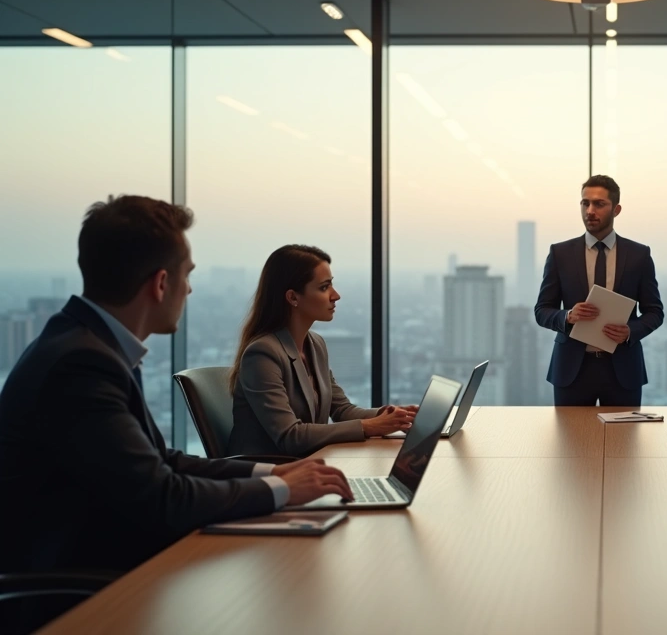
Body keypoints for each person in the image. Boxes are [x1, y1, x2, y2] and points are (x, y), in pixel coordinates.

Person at [0, 196, 353, 576]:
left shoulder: (87, 344)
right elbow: (162, 497)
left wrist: (271, 475)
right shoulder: (83, 365)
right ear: (162, 283)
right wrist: (280, 491)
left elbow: (162, 461)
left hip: (108, 560)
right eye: (187, 275)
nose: (189, 290)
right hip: (77, 588)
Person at [228, 245, 416, 458]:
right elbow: (290, 436)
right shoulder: (262, 354)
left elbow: (342, 410)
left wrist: (390, 416)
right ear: (292, 297)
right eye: (324, 287)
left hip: (307, 465)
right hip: (267, 477)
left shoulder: (315, 345)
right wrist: (371, 426)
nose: (335, 295)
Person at [534, 175, 664, 406]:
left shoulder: (639, 255)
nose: (590, 210)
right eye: (585, 203)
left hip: (623, 369)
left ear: (616, 209)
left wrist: (630, 331)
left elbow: (655, 312)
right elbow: (542, 310)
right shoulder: (560, 254)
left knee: (623, 441)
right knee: (570, 441)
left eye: (599, 204)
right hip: (571, 370)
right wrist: (567, 316)